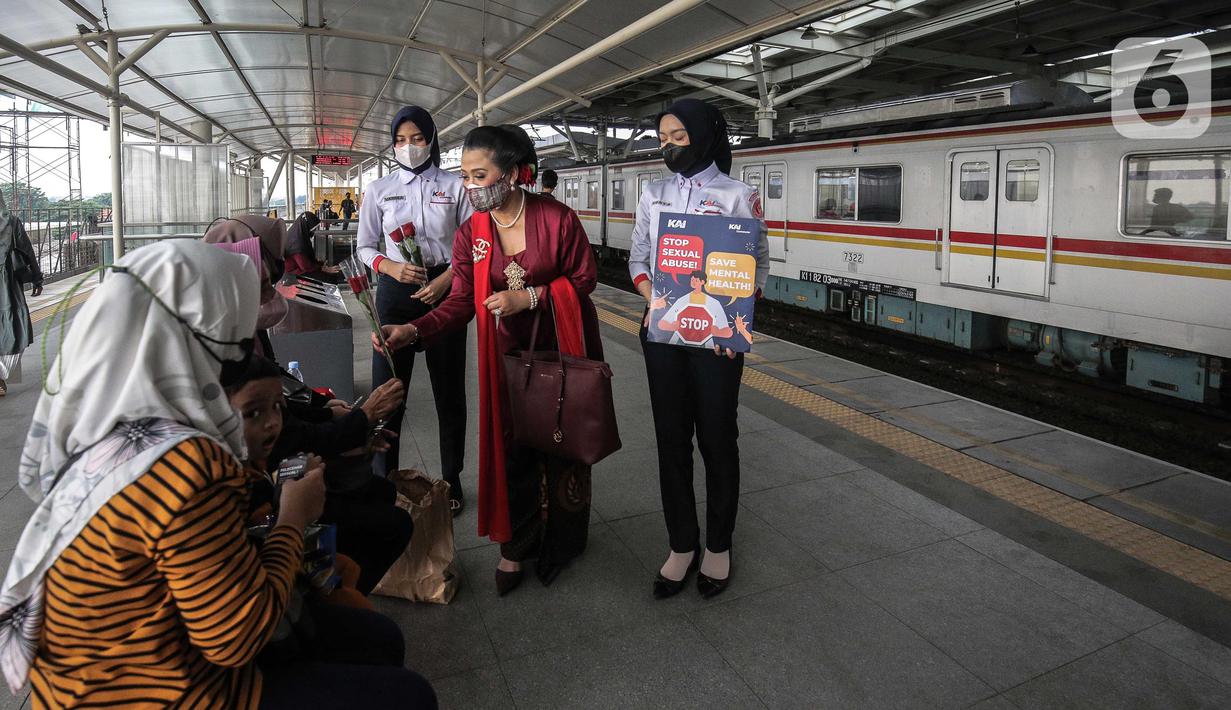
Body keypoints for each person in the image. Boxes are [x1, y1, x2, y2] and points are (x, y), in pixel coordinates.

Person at [0, 240, 436, 708]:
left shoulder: (112, 429)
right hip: (153, 690)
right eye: (235, 326)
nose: (244, 341)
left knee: (375, 640)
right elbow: (236, 638)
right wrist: (293, 518)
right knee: (406, 696)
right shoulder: (181, 462)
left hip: (89, 678)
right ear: (196, 334)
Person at [376, 124, 603, 596]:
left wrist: (532, 297)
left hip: (561, 348)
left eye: (480, 175)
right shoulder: (471, 234)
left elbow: (583, 279)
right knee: (512, 446)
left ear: (514, 173)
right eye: (465, 176)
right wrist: (414, 330)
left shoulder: (557, 219)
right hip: (505, 356)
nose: (470, 186)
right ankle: (515, 546)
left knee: (560, 447)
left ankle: (562, 541)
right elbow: (461, 302)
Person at [630, 98, 769, 600]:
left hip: (717, 343)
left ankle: (718, 543)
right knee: (671, 440)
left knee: (716, 438)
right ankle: (681, 544)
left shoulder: (740, 196)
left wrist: (735, 326)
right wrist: (656, 300)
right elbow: (639, 258)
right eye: (663, 137)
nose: (668, 146)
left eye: (678, 137)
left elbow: (758, 269)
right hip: (663, 337)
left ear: (704, 136)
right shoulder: (654, 193)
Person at [357, 105, 472, 515]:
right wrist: (389, 266)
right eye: (401, 140)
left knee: (449, 393)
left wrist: (449, 278)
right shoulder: (379, 189)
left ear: (432, 139)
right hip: (394, 295)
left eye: (418, 138)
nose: (409, 147)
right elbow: (365, 246)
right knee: (388, 394)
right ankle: (384, 481)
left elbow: (473, 245)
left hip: (445, 290)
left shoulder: (455, 187)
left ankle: (452, 478)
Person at [0, 212, 42, 396]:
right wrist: (37, 278)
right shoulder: (11, 221)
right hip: (6, 284)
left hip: (7, 282)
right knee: (13, 327)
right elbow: (26, 250)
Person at [285, 210, 343, 283]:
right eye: (313, 229)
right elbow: (305, 266)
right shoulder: (297, 244)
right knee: (330, 279)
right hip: (295, 273)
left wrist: (320, 265)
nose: (314, 231)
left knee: (330, 276)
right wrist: (322, 268)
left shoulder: (296, 235)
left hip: (298, 269)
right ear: (306, 227)